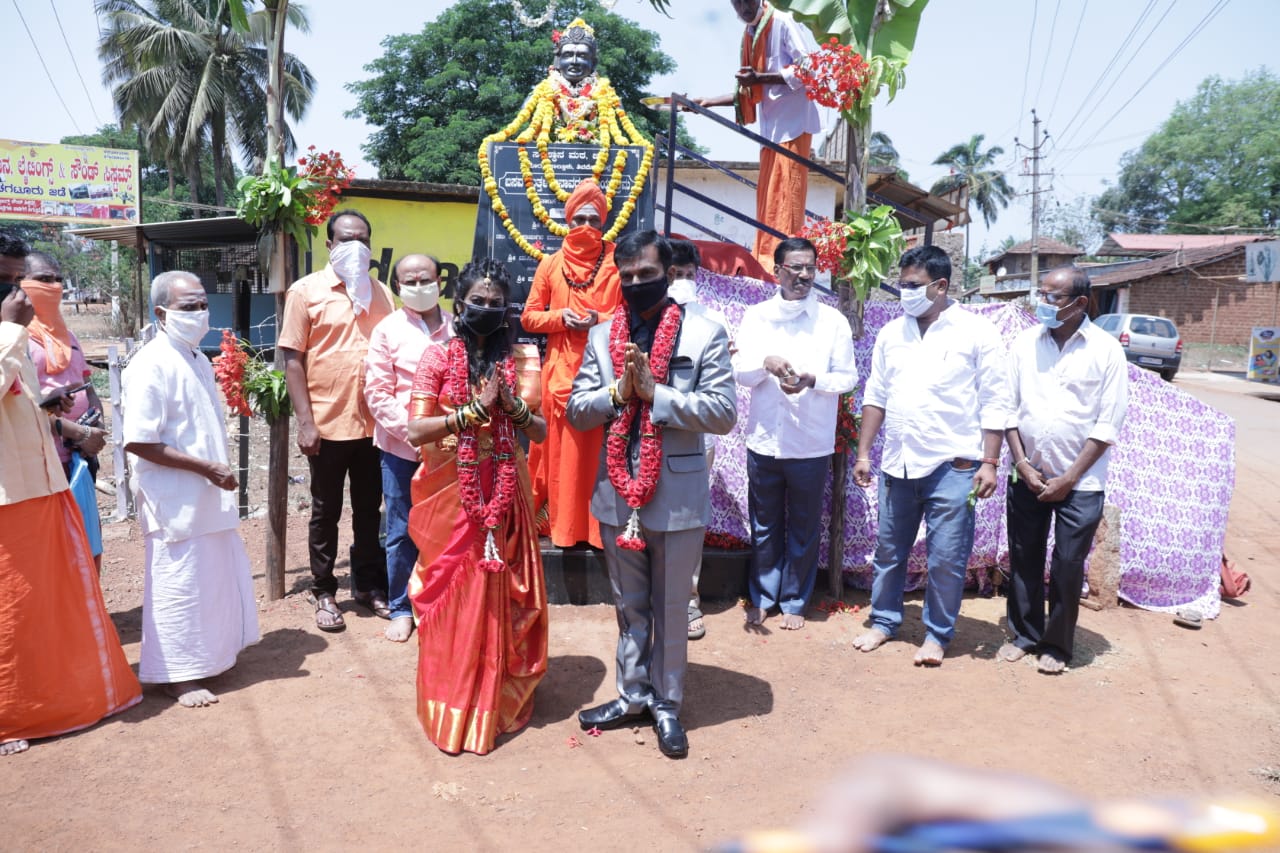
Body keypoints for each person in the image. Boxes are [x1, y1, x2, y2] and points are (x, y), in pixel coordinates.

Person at [567, 230, 737, 759]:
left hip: (678, 494)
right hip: (618, 492)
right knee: (629, 604)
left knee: (669, 604)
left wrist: (655, 395)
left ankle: (667, 703)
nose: (637, 283)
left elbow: (723, 412)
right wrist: (618, 393)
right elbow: (576, 409)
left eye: (647, 274)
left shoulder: (705, 333)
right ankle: (632, 695)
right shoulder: (600, 337)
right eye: (629, 275)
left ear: (668, 273)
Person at [0, 230, 140, 756]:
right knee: (8, 611)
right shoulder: (12, 329)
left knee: (41, 606)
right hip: (7, 494)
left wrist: (48, 408)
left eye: (19, 281)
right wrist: (10, 332)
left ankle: (47, 703)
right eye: (6, 281)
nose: (16, 294)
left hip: (41, 484)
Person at [404, 259, 548, 755]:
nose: (486, 310)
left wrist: (509, 405)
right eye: (477, 302)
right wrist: (471, 413)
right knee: (454, 600)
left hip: (507, 497)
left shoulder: (526, 358)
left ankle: (496, 701)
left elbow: (542, 431)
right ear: (458, 304)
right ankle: (452, 701)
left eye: (495, 303)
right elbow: (415, 430)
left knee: (502, 598)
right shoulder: (437, 357)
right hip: (451, 498)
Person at [852, 245, 1009, 666]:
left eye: (913, 285)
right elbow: (876, 397)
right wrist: (864, 452)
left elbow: (996, 401)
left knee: (946, 558)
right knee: (888, 551)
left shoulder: (977, 333)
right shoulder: (892, 332)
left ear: (941, 286)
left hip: (954, 467)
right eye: (901, 284)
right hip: (898, 464)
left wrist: (990, 462)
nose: (905, 292)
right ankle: (884, 621)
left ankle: (937, 634)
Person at [121, 271, 261, 706]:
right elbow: (140, 441)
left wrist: (211, 473)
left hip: (206, 494)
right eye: (188, 306)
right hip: (176, 497)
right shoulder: (150, 362)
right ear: (161, 312)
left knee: (209, 578)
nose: (199, 313)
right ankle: (177, 674)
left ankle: (211, 658)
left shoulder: (197, 358)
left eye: (202, 304)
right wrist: (206, 468)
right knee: (178, 582)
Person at [1002, 266, 1128, 674]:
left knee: (1068, 563)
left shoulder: (1106, 350)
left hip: (1082, 482)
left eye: (1053, 297)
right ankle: (1023, 634)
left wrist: (1070, 477)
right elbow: (1006, 407)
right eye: (1041, 294)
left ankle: (1056, 645)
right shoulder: (1024, 343)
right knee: (1024, 556)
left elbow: (1107, 425)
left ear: (1080, 303)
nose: (1043, 304)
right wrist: (1021, 462)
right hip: (1028, 472)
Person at [280, 209, 394, 632]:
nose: (355, 247)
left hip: (374, 424)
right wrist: (305, 422)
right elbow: (292, 359)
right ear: (329, 245)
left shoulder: (380, 292)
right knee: (325, 511)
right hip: (326, 424)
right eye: (346, 240)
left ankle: (366, 586)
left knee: (370, 510)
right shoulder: (305, 292)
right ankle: (324, 590)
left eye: (362, 240)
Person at [734, 237, 856, 631]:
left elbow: (848, 377)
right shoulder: (756, 317)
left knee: (804, 525)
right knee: (765, 524)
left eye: (810, 268)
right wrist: (764, 363)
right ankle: (763, 597)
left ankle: (794, 601)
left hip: (810, 443)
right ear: (778, 270)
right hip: (765, 440)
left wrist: (813, 379)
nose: (804, 275)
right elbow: (739, 372)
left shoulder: (832, 321)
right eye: (796, 268)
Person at [521, 180, 622, 549]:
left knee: (598, 454)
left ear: (604, 223)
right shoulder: (551, 263)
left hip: (605, 374)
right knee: (563, 457)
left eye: (594, 220)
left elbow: (627, 313)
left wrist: (598, 319)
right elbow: (529, 318)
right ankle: (563, 528)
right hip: (560, 374)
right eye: (578, 218)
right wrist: (562, 317)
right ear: (567, 220)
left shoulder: (616, 261)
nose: (586, 227)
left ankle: (598, 531)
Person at [364, 253, 454, 643]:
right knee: (401, 530)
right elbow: (378, 394)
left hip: (453, 450)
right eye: (410, 281)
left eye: (425, 279)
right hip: (401, 451)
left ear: (440, 282)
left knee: (449, 529)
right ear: (397, 286)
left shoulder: (458, 327)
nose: (419, 287)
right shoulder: (387, 330)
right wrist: (415, 435)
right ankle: (401, 608)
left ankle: (443, 604)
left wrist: (445, 438)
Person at [696, 0, 822, 273]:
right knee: (769, 204)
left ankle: (785, 267)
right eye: (736, 3)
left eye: (746, 0)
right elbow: (750, 88)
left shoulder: (783, 22)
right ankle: (766, 263)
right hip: (770, 133)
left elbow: (807, 70)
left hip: (793, 127)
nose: (743, 8)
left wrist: (760, 78)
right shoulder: (750, 35)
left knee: (786, 204)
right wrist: (708, 101)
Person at [21, 251, 109, 570]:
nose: (54, 286)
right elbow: (27, 406)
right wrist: (80, 433)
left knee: (87, 539)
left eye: (58, 279)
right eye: (44, 279)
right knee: (54, 547)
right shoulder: (17, 339)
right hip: (46, 460)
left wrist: (95, 417)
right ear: (21, 282)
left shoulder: (67, 335)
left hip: (81, 458)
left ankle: (88, 615)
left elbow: (87, 384)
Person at [668, 239, 729, 641]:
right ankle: (652, 599)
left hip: (695, 438)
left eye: (689, 276)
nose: (682, 282)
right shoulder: (639, 317)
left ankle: (688, 600)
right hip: (652, 434)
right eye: (674, 275)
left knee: (688, 520)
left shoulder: (711, 323)